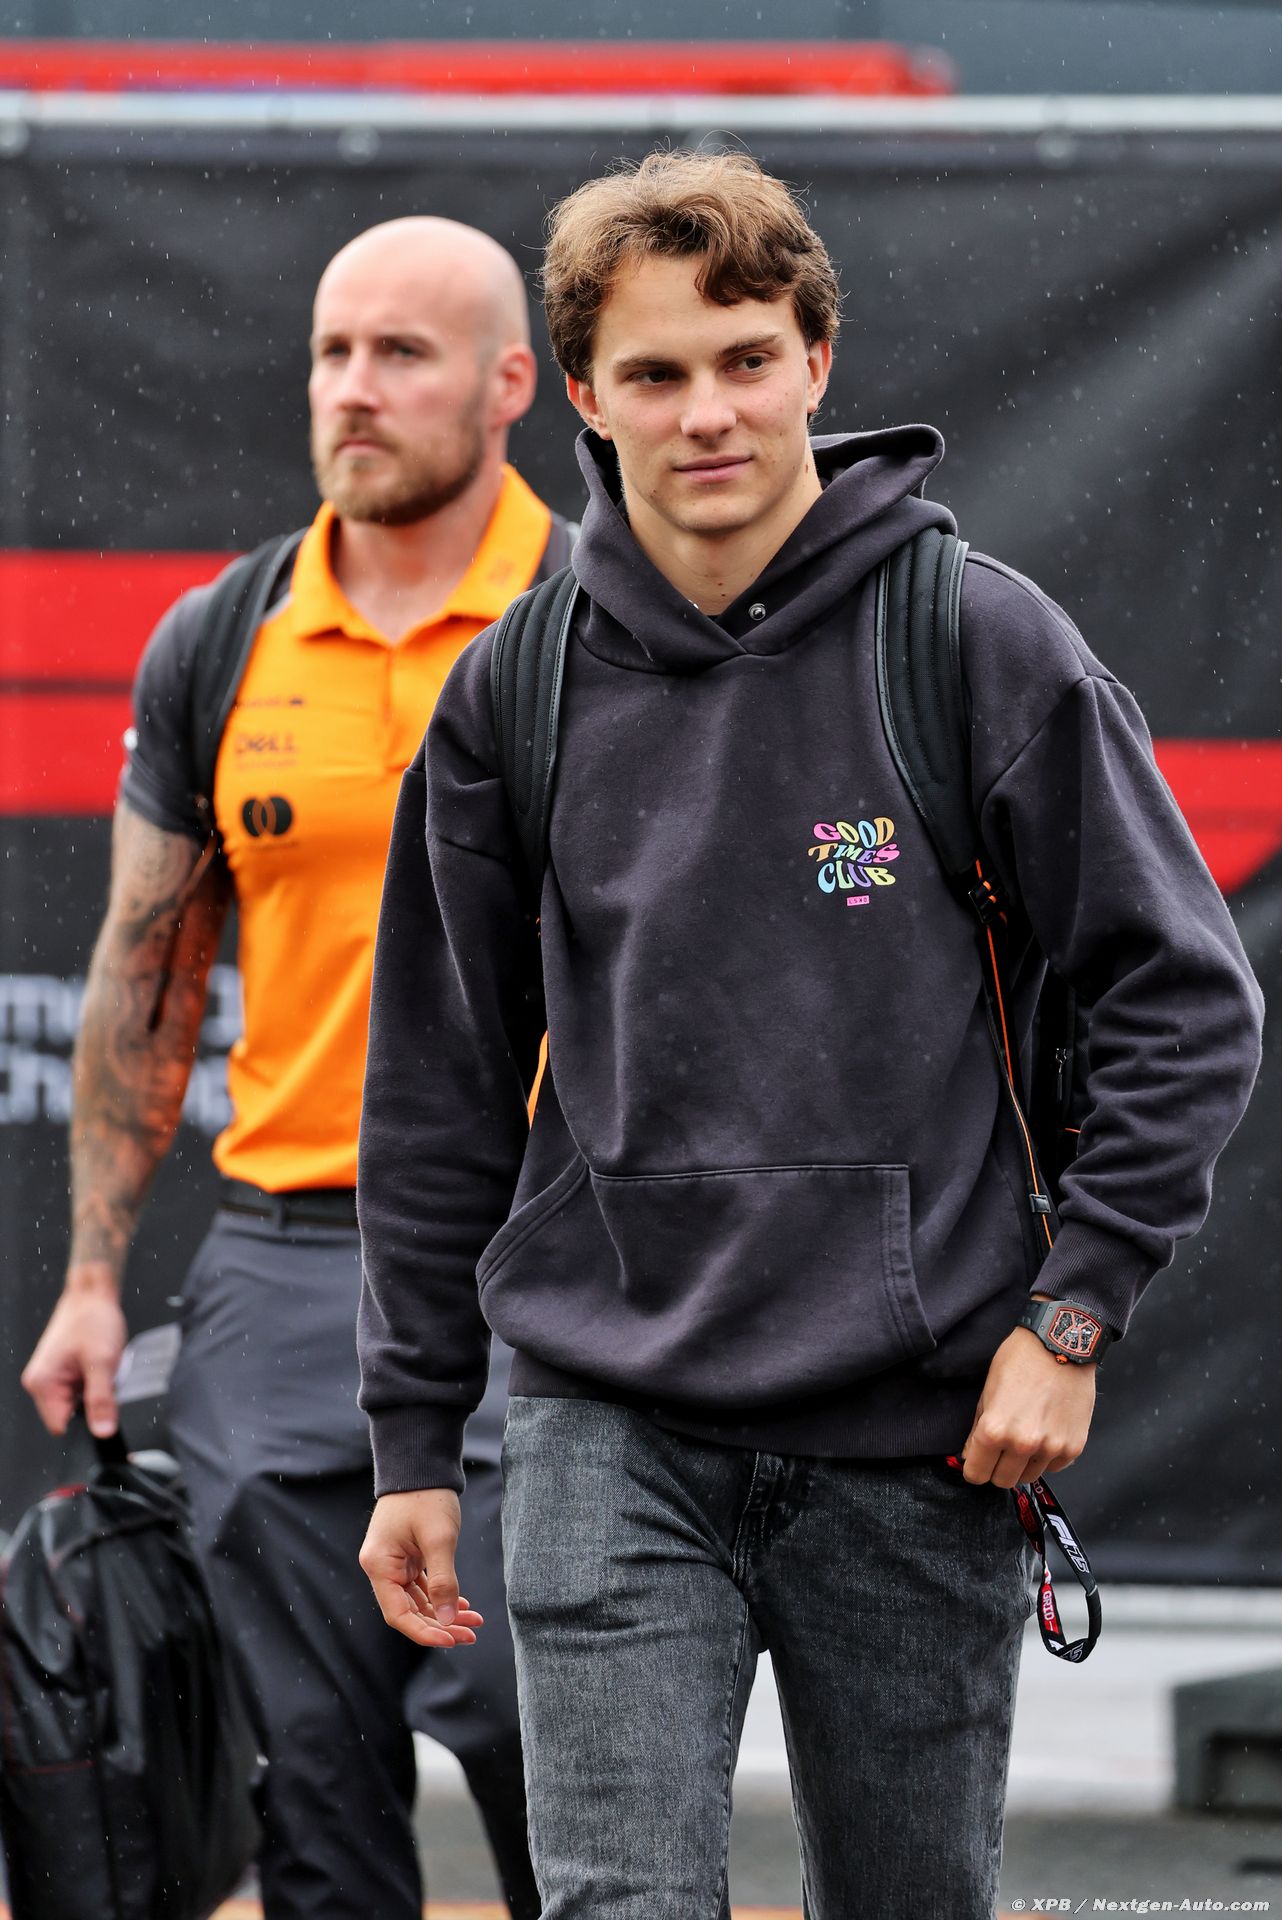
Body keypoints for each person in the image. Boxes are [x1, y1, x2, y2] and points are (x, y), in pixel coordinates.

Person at [354, 153, 1264, 1920]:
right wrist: (412, 1438)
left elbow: (1181, 1000)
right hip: (605, 1423)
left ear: (816, 359)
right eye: (655, 372)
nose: (707, 412)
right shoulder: (513, 689)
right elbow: (438, 1093)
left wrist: (1070, 1317)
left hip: (919, 1441)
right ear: (585, 397)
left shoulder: (973, 638)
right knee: (620, 1905)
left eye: (746, 359)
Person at [21, 215, 565, 1920]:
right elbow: (145, 972)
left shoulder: (604, 612)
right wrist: (94, 1278)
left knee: (542, 1729)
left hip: (547, 1265)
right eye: (332, 351)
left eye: (401, 353)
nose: (353, 388)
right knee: (309, 1783)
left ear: (510, 385)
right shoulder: (225, 634)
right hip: (282, 1264)